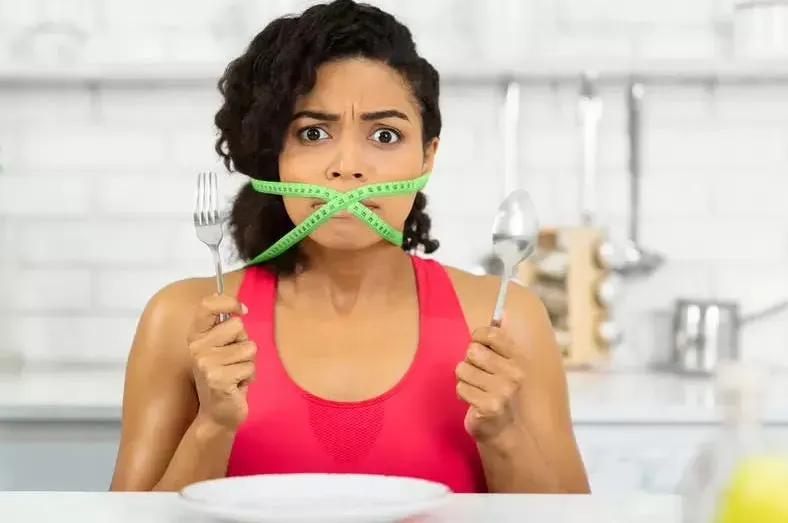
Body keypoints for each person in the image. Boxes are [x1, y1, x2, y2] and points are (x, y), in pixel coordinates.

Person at [109, 0, 589, 494]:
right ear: (275, 158)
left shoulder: (506, 319)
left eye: (385, 135)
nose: (348, 166)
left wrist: (503, 435)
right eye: (313, 133)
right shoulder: (180, 319)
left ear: (427, 157)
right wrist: (212, 426)